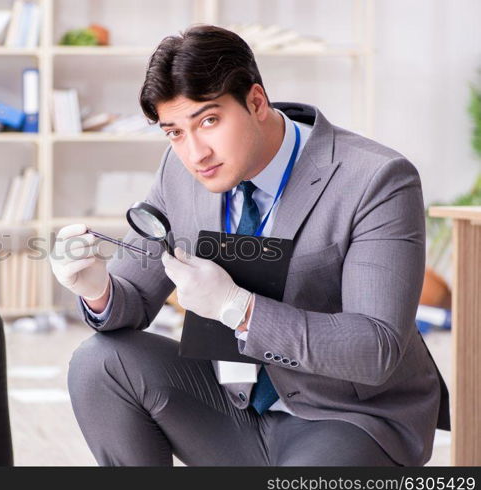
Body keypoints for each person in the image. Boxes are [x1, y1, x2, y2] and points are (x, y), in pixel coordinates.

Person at [49, 25, 449, 466]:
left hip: (348, 416)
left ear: (256, 102)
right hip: (230, 408)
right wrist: (96, 288)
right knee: (99, 363)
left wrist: (238, 308)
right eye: (174, 132)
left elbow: (376, 350)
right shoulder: (181, 172)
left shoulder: (376, 179)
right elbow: (133, 297)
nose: (195, 153)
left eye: (208, 120)